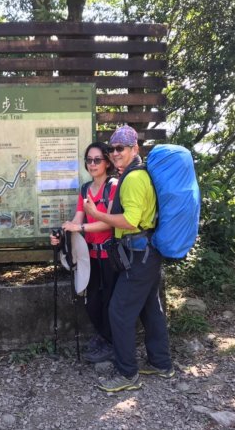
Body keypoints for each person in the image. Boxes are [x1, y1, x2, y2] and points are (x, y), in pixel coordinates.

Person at [83, 125, 174, 392]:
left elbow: (130, 220)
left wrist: (95, 213)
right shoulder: (136, 174)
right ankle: (161, 363)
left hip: (138, 255)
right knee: (150, 309)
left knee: (119, 312)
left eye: (120, 148)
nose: (115, 153)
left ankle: (127, 374)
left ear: (135, 149)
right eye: (112, 149)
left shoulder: (133, 179)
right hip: (146, 253)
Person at [50, 142, 118, 363]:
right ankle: (104, 338)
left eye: (97, 159)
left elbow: (108, 223)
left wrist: (79, 228)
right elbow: (77, 220)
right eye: (89, 160)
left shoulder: (113, 187)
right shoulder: (85, 189)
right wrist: (62, 234)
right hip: (89, 257)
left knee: (111, 302)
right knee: (91, 302)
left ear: (107, 162)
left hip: (111, 256)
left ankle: (110, 343)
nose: (92, 164)